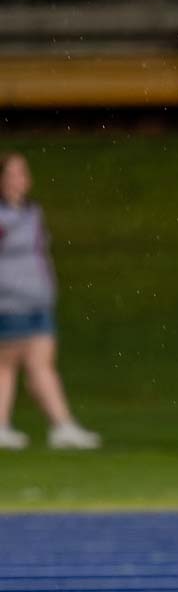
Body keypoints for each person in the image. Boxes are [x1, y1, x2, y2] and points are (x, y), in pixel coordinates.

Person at [0, 152, 101, 450]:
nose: (20, 179)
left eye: (23, 173)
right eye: (13, 173)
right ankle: (56, 425)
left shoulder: (33, 212)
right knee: (9, 365)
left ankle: (60, 425)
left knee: (40, 365)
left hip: (38, 300)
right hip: (9, 303)